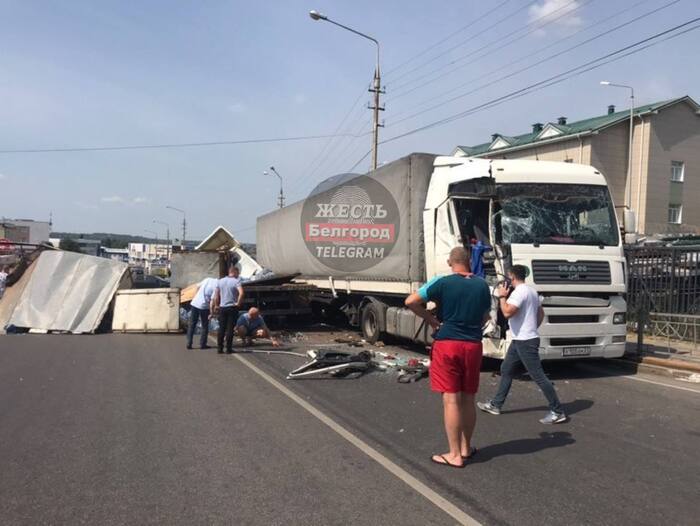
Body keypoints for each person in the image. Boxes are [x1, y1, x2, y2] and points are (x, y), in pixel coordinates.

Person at [405, 246, 491, 469]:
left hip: (448, 344)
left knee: (451, 399)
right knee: (468, 398)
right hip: (472, 345)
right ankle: (465, 447)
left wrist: (432, 320)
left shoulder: (442, 282)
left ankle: (454, 454)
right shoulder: (482, 285)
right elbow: (485, 317)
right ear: (469, 262)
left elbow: (411, 301)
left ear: (450, 262)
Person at [477, 264, 567, 424]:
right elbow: (541, 313)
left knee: (538, 376)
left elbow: (506, 312)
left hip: (525, 341)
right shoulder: (532, 290)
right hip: (522, 339)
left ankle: (557, 411)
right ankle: (496, 405)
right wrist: (531, 328)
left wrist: (502, 296)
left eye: (508, 277)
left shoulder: (519, 292)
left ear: (511, 277)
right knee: (506, 369)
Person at [212, 265, 244, 354]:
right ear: (234, 272)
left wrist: (216, 305)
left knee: (221, 328)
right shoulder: (236, 281)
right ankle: (228, 349)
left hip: (222, 307)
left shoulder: (220, 281)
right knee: (230, 328)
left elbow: (216, 295)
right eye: (238, 273)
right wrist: (238, 303)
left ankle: (220, 348)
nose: (238, 275)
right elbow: (241, 293)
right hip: (232, 307)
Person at [186, 277, 217, 350]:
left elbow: (197, 287)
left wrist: (196, 297)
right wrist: (211, 313)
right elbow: (212, 302)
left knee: (192, 324)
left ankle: (189, 343)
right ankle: (202, 344)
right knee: (204, 325)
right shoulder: (217, 286)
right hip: (204, 307)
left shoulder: (207, 279)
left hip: (195, 303)